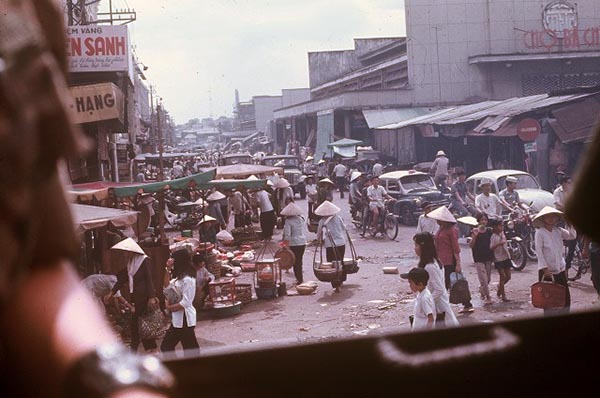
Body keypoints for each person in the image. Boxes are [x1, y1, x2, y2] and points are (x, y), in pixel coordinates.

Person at [105, 238, 160, 353]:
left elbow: (149, 279)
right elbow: (123, 278)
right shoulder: (131, 263)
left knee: (136, 323)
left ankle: (135, 348)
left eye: (126, 252)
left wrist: (151, 296)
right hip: (136, 297)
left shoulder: (144, 261)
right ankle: (150, 347)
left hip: (145, 297)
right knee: (141, 322)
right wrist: (112, 292)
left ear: (132, 251)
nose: (124, 254)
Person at [427, 206, 474, 313]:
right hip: (441, 260)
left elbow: (455, 248)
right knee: (445, 283)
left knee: (451, 283)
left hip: (450, 261)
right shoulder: (441, 229)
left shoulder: (452, 230)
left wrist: (458, 263)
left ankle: (466, 304)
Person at [534, 206, 576, 315]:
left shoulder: (558, 231)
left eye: (553, 217)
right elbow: (539, 252)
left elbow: (572, 236)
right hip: (547, 271)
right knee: (548, 299)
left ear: (557, 218)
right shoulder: (540, 233)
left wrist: (570, 223)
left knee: (564, 298)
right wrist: (545, 268)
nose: (550, 219)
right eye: (547, 217)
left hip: (560, 269)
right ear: (543, 219)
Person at [413, 233, 459, 328]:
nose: (415, 248)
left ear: (423, 247)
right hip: (438, 303)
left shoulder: (430, 266)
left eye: (416, 245)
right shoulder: (432, 261)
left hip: (439, 305)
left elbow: (439, 289)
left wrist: (426, 301)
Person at [161, 249, 200, 356]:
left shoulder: (188, 279)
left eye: (173, 259)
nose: (171, 261)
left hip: (185, 318)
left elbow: (186, 302)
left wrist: (169, 308)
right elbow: (166, 287)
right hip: (178, 319)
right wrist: (167, 269)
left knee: (188, 348)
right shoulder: (179, 277)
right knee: (170, 347)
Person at [315, 201, 348, 292]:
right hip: (341, 243)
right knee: (340, 261)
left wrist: (319, 240)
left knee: (333, 264)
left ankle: (336, 285)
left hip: (330, 245)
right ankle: (340, 280)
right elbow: (343, 229)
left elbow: (319, 234)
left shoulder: (322, 221)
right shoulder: (338, 218)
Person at [553, 175, 577, 273]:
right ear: (563, 183)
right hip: (560, 216)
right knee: (560, 238)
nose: (570, 185)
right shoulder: (557, 192)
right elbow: (557, 203)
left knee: (575, 239)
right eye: (568, 183)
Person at [469, 213, 494, 304]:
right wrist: (475, 236)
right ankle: (488, 296)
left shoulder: (490, 231)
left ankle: (482, 289)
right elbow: (471, 245)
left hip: (488, 256)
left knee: (488, 278)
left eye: (485, 220)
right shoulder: (474, 231)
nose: (484, 222)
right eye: (482, 220)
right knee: (483, 278)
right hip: (478, 257)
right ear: (478, 221)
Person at [281, 203, 307, 285]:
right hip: (302, 242)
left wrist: (285, 245)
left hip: (294, 243)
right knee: (299, 260)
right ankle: (299, 278)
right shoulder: (301, 219)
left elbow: (287, 236)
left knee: (295, 262)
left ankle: (299, 279)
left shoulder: (288, 221)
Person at [489, 219, 512, 302]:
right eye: (500, 225)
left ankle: (500, 287)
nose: (502, 227)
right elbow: (491, 247)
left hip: (506, 256)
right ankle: (503, 295)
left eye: (502, 225)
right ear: (495, 227)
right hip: (498, 258)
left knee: (508, 276)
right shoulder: (493, 236)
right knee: (502, 276)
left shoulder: (502, 233)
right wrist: (499, 244)